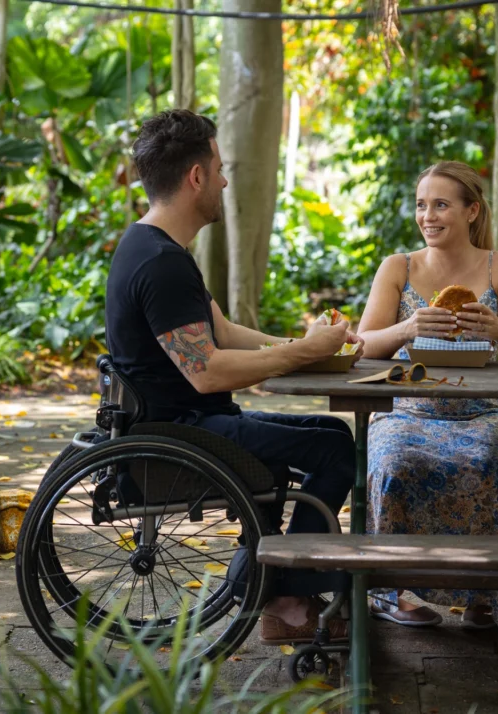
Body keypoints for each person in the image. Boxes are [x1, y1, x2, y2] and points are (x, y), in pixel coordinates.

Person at [105, 109, 359, 643]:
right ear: (195, 177)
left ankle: (276, 582)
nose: (223, 180)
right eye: (218, 169)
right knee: (336, 452)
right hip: (183, 432)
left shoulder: (152, 246)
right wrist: (299, 354)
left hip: (187, 422)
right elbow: (206, 370)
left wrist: (304, 345)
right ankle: (286, 597)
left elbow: (220, 330)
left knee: (334, 434)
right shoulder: (161, 264)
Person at [355, 160, 498, 632]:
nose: (428, 216)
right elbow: (361, 345)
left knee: (492, 460)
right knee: (392, 462)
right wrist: (407, 326)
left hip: (485, 411)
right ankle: (390, 591)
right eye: (422, 205)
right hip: (408, 411)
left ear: (471, 211)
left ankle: (484, 594)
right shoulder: (397, 267)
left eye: (441, 205)